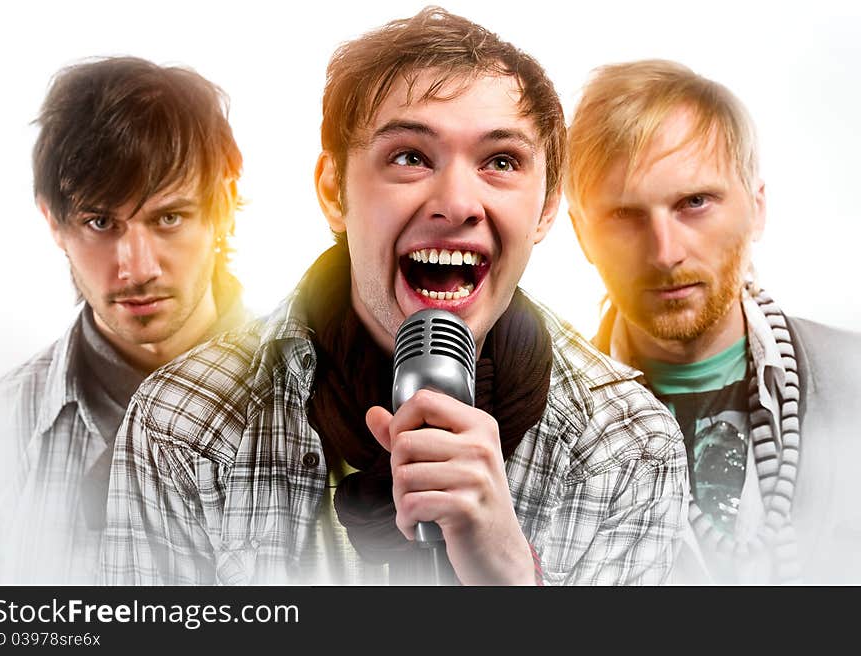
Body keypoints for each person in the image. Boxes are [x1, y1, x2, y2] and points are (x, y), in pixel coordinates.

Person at [102, 7, 686, 586]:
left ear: (547, 208)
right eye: (410, 157)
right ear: (334, 192)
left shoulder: (628, 447)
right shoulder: (181, 427)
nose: (457, 203)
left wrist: (509, 576)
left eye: (500, 161)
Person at [566, 59, 861, 584]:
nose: (665, 252)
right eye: (625, 215)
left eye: (694, 202)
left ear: (757, 207)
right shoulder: (539, 432)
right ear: (582, 234)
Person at [0, 57, 250, 584]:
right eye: (100, 222)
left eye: (168, 218)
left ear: (222, 204)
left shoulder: (326, 406)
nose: (138, 268)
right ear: (52, 222)